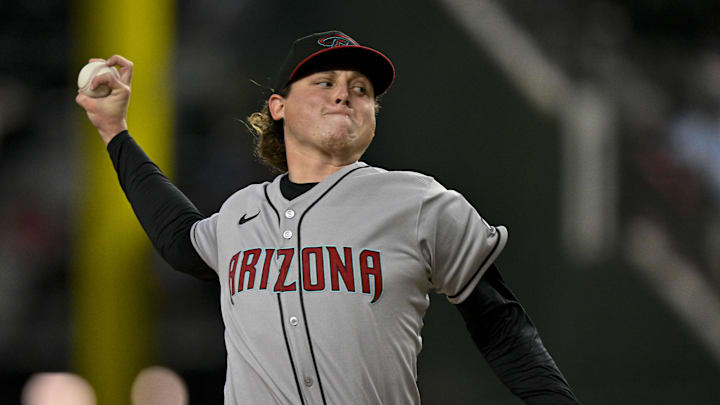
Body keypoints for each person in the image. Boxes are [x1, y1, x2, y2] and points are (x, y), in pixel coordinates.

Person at [76, 30, 579, 405]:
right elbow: (179, 239)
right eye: (325, 81)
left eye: (362, 89)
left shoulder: (419, 202)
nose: (346, 94)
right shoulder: (241, 213)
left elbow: (501, 325)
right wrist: (114, 131)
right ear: (278, 106)